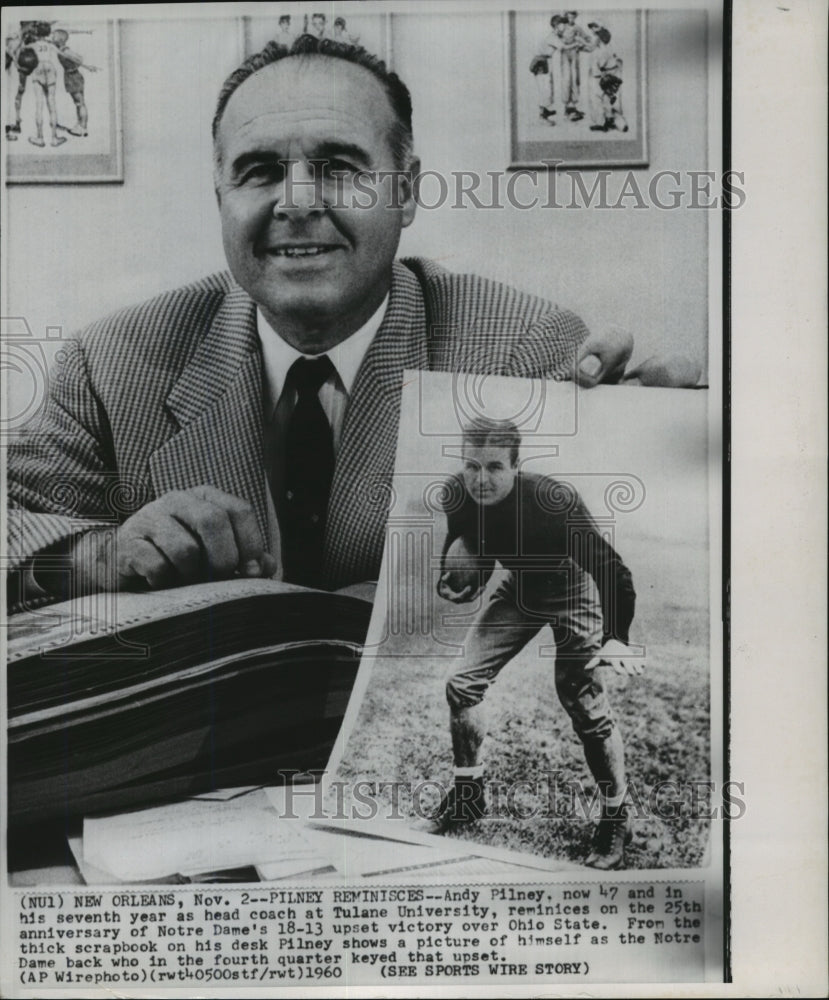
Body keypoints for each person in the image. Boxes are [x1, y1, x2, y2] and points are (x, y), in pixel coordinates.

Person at [7, 35, 667, 613]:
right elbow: (15, 533)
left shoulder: (523, 348)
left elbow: (604, 545)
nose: (295, 202)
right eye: (260, 171)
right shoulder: (111, 361)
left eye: (339, 168)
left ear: (404, 192)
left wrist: (672, 446)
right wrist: (100, 555)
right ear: (220, 199)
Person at [423, 417, 643, 869]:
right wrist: (463, 581)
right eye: (471, 465)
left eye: (495, 468)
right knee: (461, 683)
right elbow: (470, 548)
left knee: (584, 705)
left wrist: (616, 637)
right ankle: (469, 793)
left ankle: (616, 814)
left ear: (517, 466)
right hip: (520, 588)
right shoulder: (456, 492)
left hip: (571, 587)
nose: (481, 479)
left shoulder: (552, 503)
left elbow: (613, 571)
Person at [51, 28, 99, 138]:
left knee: (79, 103)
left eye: (54, 36)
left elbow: (78, 59)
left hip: (73, 77)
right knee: (78, 103)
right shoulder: (61, 49)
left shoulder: (65, 50)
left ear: (61, 39)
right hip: (71, 76)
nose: (52, 38)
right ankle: (81, 126)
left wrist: (85, 66)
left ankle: (82, 127)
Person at [25, 23, 66, 148]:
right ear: (48, 33)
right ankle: (54, 138)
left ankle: (40, 138)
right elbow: (63, 54)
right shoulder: (50, 45)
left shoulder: (31, 45)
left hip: (37, 69)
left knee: (39, 105)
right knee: (52, 104)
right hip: (49, 68)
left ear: (36, 33)